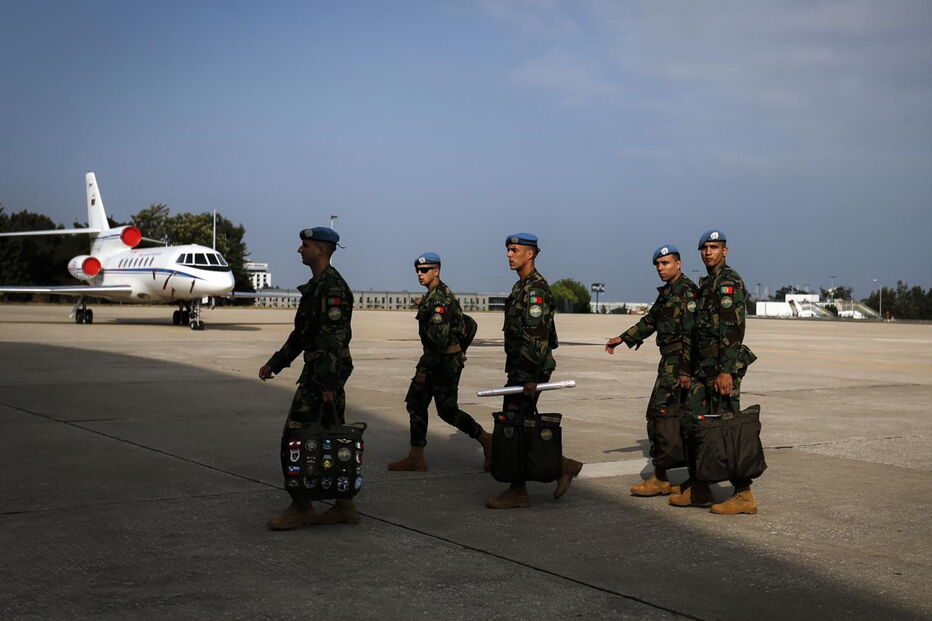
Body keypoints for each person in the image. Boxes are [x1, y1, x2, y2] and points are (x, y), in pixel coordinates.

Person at [259, 226, 357, 529]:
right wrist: (276, 363)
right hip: (321, 375)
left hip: (321, 378)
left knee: (294, 440)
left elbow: (333, 340)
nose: (300, 250)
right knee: (335, 443)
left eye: (305, 245)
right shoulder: (317, 286)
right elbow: (302, 334)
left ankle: (302, 505)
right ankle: (344, 505)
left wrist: (327, 385)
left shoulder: (333, 288)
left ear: (321, 250)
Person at [486, 233, 583, 509]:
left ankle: (519, 490)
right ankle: (563, 467)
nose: (509, 254)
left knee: (514, 426)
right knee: (520, 426)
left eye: (514, 250)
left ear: (530, 254)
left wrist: (529, 377)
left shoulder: (535, 290)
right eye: (507, 250)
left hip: (529, 369)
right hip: (521, 368)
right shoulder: (522, 287)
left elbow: (536, 336)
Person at [669, 229, 759, 514]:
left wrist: (727, 371)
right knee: (695, 424)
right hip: (704, 368)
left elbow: (733, 329)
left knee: (729, 429)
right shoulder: (708, 282)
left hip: (722, 369)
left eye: (714, 247)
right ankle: (701, 486)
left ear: (725, 251)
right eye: (705, 248)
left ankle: (743, 494)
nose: (709, 252)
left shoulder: (728, 281)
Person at [605, 244, 697, 497]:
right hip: (670, 361)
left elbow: (692, 335)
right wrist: (623, 338)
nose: (660, 268)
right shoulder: (668, 293)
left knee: (661, 415)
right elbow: (651, 320)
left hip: (679, 363)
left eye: (665, 263)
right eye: (657, 264)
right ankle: (686, 476)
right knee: (675, 419)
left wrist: (686, 371)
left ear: (678, 264)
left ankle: (661, 477)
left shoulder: (687, 293)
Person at [387, 252, 492, 472]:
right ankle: (416, 456)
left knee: (447, 411)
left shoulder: (438, 300)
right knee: (416, 403)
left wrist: (423, 369)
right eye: (417, 270)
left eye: (425, 270)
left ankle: (486, 440)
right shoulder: (434, 296)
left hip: (442, 363)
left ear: (437, 271)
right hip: (440, 359)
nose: (420, 273)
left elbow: (438, 341)